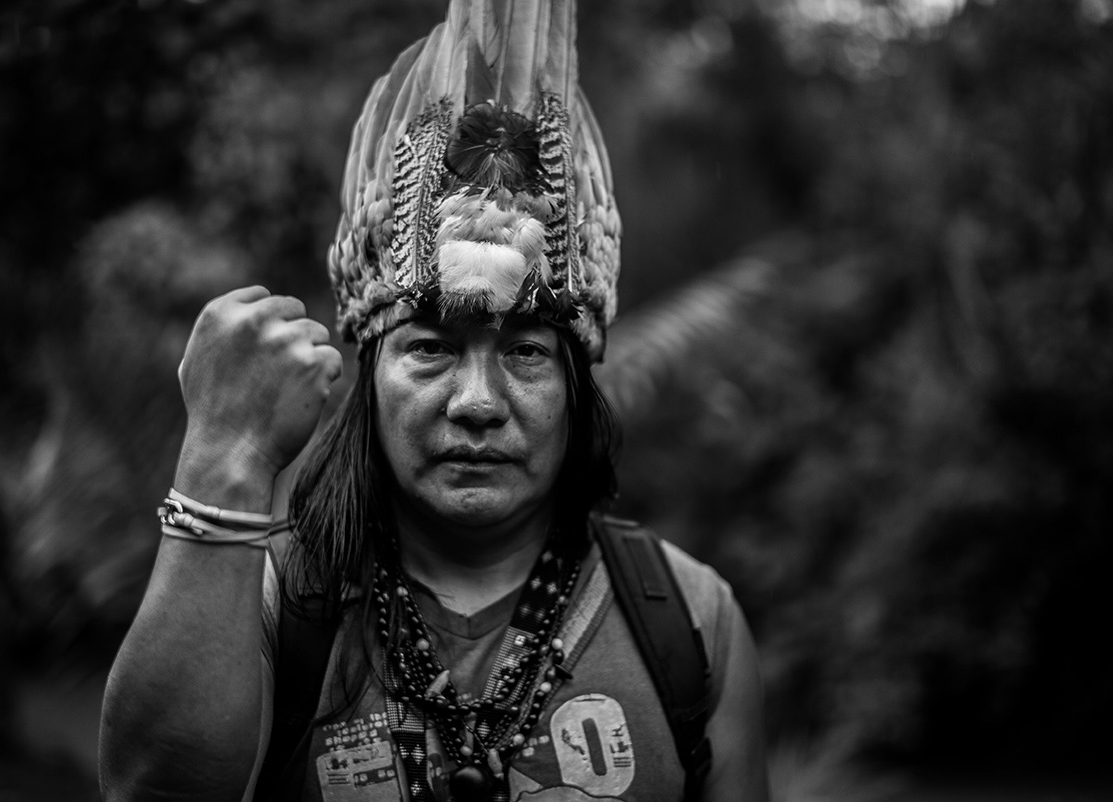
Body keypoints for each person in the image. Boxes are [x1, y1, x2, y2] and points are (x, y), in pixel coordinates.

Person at [98, 1, 770, 800]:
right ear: (367, 377)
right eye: (430, 349)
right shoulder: (273, 605)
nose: (477, 404)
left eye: (525, 352)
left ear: (577, 387)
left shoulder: (692, 623)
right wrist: (225, 457)